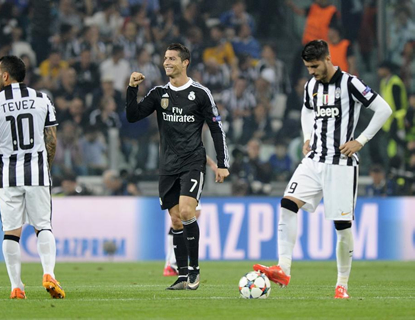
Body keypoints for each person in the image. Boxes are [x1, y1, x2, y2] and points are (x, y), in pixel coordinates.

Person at [253, 40, 392, 299]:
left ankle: (342, 283)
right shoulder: (311, 85)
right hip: (314, 159)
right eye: (308, 67)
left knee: (342, 226)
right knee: (287, 204)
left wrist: (360, 140)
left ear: (327, 58)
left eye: (315, 66)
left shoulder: (350, 83)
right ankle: (283, 268)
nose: (311, 72)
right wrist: (307, 136)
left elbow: (384, 109)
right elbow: (307, 110)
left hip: (340, 164)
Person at [126, 43, 230, 290]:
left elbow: (216, 128)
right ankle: (182, 275)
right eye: (165, 58)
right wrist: (132, 89)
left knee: (186, 212)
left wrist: (223, 164)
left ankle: (194, 272)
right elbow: (132, 116)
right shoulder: (158, 93)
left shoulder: (200, 93)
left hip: (193, 162)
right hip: (168, 165)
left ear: (185, 63)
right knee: (175, 220)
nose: (166, 62)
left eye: (172, 58)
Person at [0, 55, 65, 300]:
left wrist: (1, 164)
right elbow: (52, 140)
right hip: (37, 173)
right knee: (43, 226)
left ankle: (16, 287)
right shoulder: (42, 99)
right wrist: (44, 168)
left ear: (6, 75)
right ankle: (48, 273)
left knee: (10, 232)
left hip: (8, 176)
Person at [163, 155, 220, 276]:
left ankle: (171, 263)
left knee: (181, 219)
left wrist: (212, 165)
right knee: (183, 217)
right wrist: (213, 165)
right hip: (179, 172)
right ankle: (171, 262)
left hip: (184, 171)